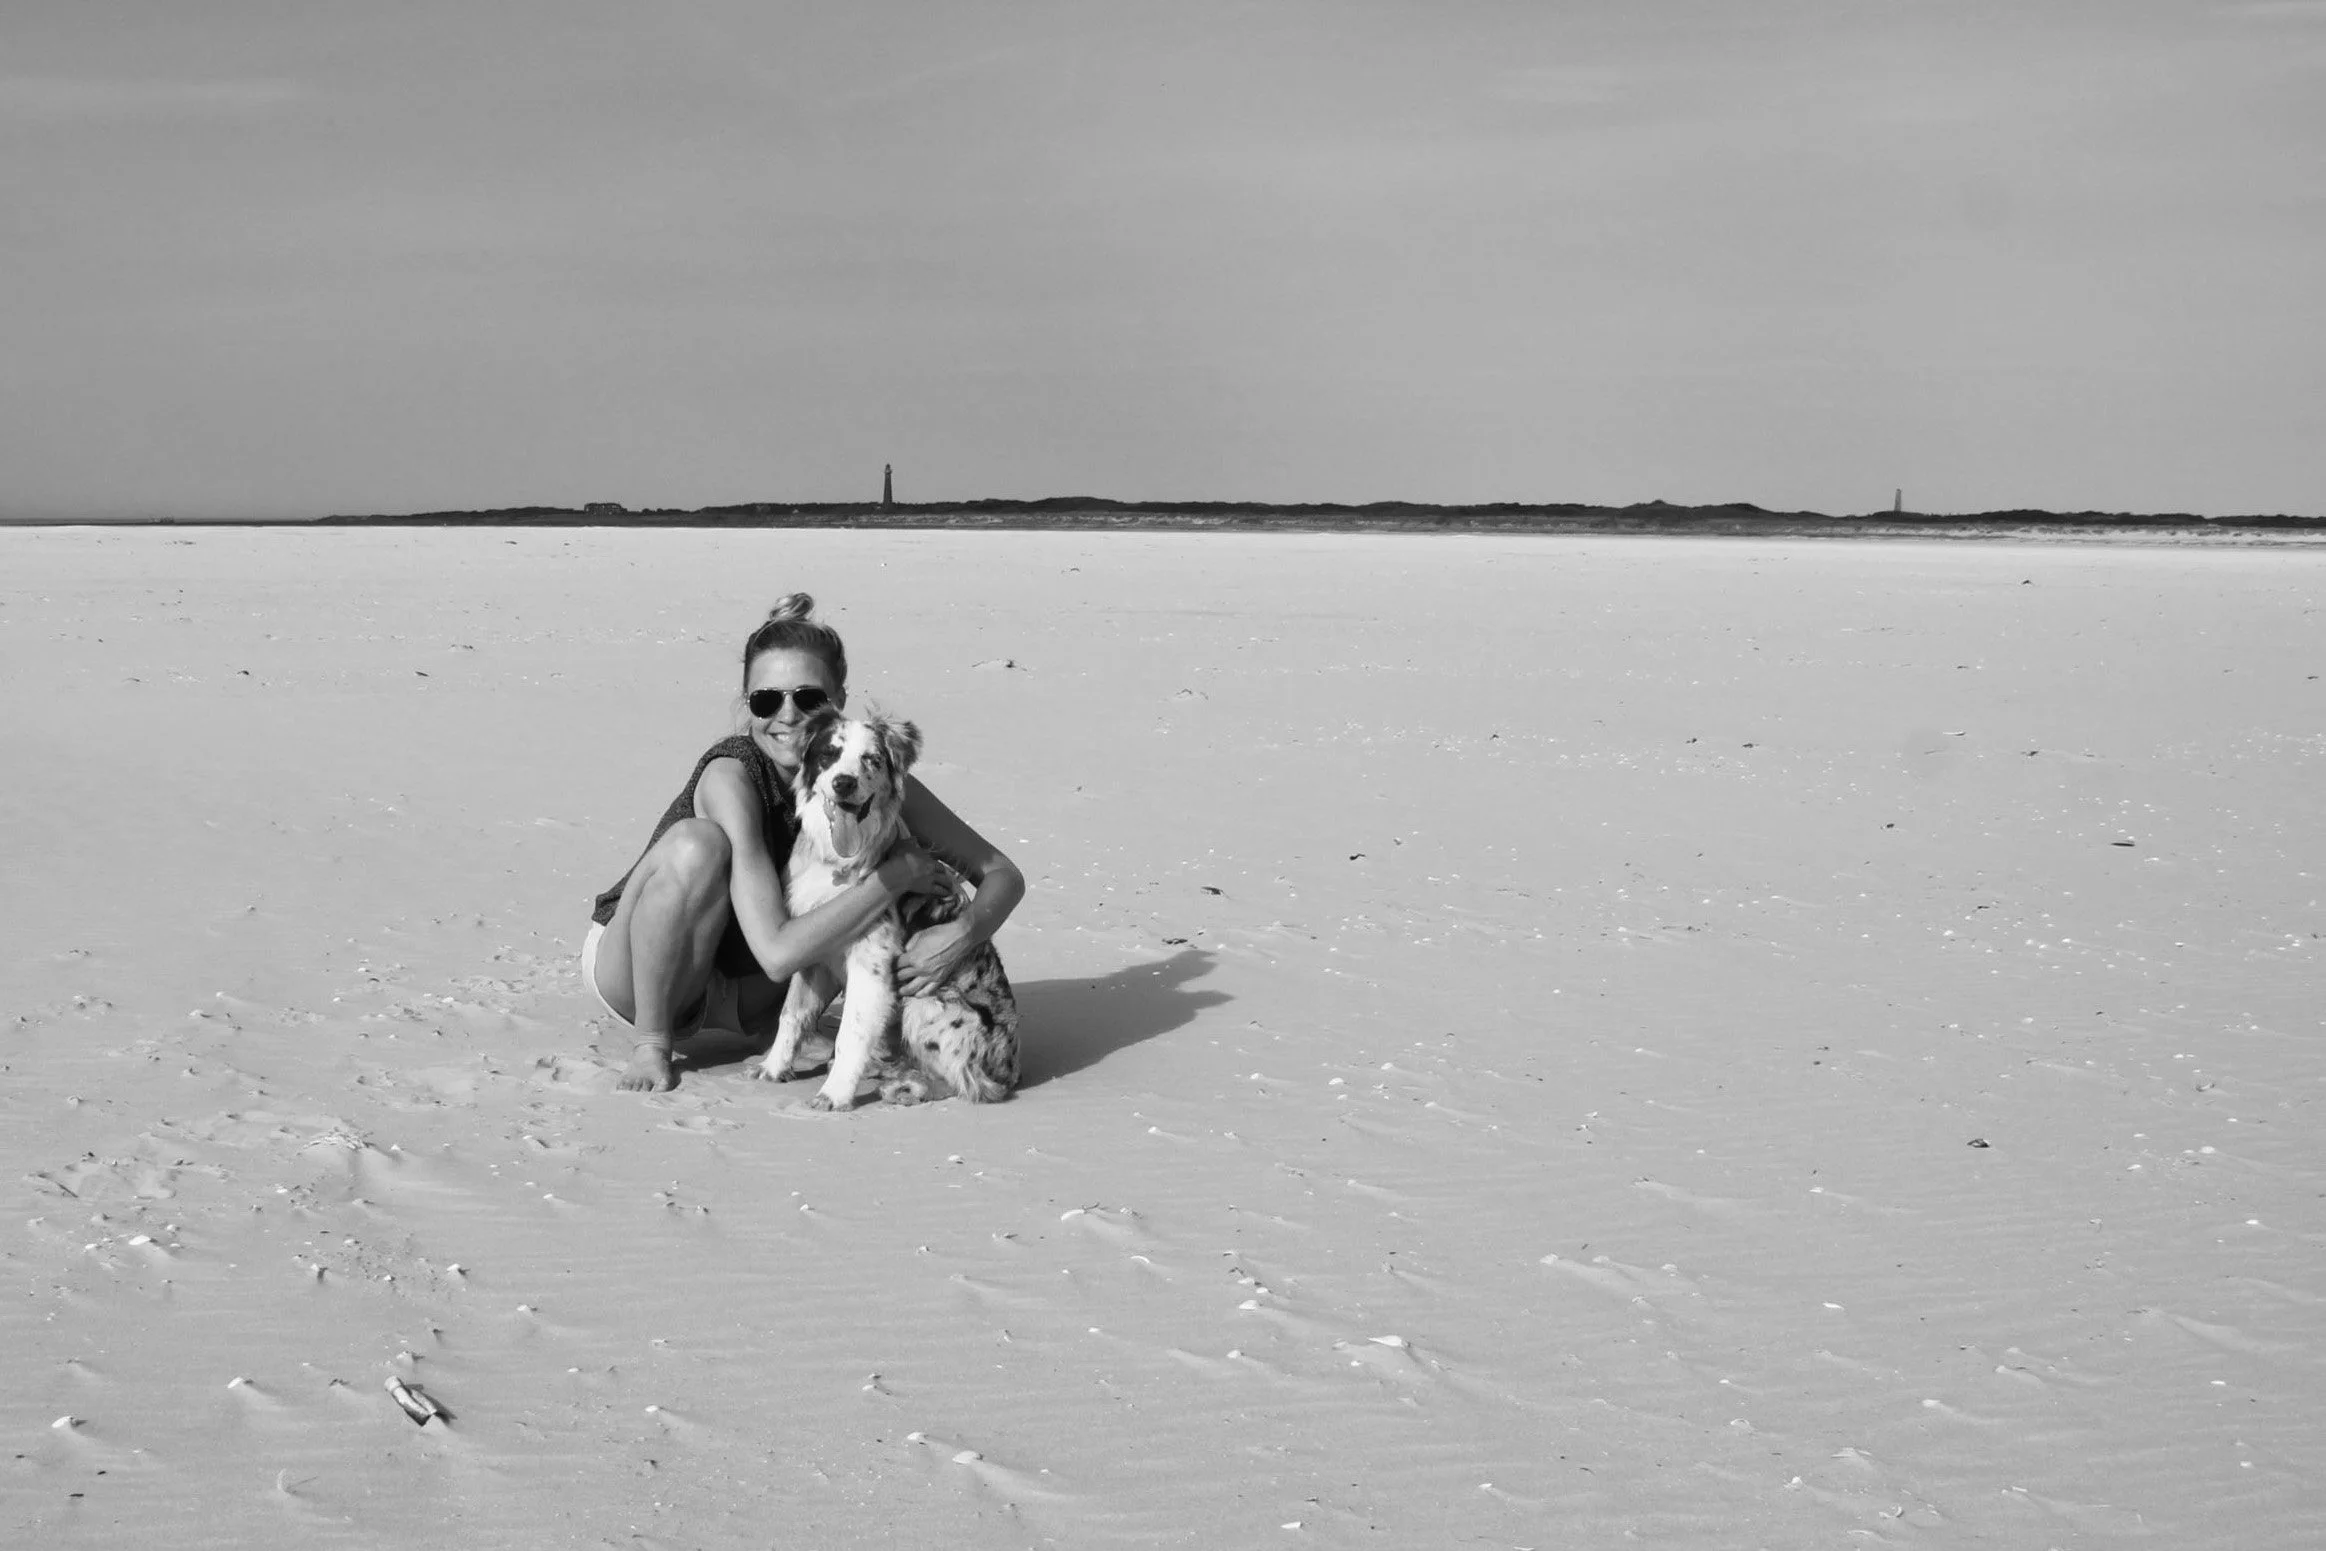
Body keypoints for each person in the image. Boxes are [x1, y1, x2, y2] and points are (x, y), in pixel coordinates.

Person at [583, 594, 1027, 1092]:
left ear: (838, 698)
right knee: (697, 846)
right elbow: (776, 953)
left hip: (746, 994)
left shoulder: (872, 774)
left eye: (808, 699)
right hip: (645, 976)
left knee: (867, 919)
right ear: (747, 705)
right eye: (766, 700)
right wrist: (893, 877)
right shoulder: (732, 776)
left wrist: (960, 935)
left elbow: (1003, 876)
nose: (788, 716)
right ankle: (652, 1045)